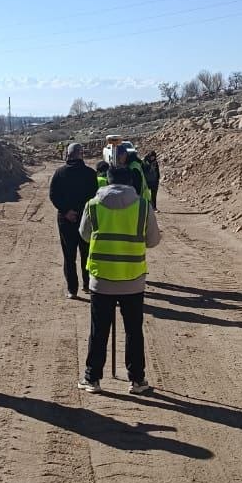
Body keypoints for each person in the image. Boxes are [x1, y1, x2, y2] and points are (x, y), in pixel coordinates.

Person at [77, 148, 160, 395]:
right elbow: (153, 241)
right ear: (130, 182)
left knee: (98, 330)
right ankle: (137, 380)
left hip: (101, 278)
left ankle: (92, 378)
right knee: (134, 331)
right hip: (133, 279)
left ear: (107, 181)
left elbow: (84, 235)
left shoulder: (92, 205)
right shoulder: (143, 206)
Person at [49, 142, 98, 298]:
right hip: (86, 219)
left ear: (68, 155)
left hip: (66, 220)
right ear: (81, 154)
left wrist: (66, 211)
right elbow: (95, 196)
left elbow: (53, 195)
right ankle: (87, 285)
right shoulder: (90, 174)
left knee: (69, 256)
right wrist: (84, 212)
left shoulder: (59, 173)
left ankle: (72, 289)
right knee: (86, 253)